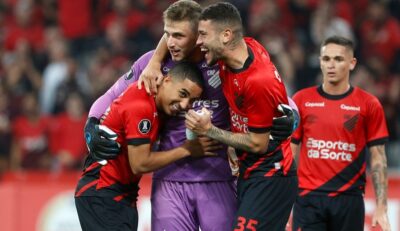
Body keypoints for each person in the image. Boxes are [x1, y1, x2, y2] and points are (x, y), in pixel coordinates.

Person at [84, 1, 297, 230]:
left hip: (220, 178)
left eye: (179, 36)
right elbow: (111, 95)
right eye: (168, 35)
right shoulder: (151, 64)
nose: (171, 42)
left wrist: (292, 116)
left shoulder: (222, 61)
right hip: (170, 181)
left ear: (199, 36)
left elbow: (270, 91)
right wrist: (92, 124)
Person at [185, 2, 298, 230]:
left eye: (204, 35)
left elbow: (258, 143)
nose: (199, 42)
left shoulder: (257, 80)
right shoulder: (244, 49)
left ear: (226, 36)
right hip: (250, 172)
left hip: (271, 174)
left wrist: (209, 131)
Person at [74, 62, 208, 231]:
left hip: (121, 195)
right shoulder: (141, 104)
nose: (184, 105)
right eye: (183, 94)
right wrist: (187, 149)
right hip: (102, 192)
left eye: (191, 100)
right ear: (166, 81)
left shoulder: (153, 104)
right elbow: (140, 164)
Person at [290, 36, 391, 231]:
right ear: (320, 61)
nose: (331, 65)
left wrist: (381, 206)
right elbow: (291, 153)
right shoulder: (301, 100)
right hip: (308, 199)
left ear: (352, 63)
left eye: (338, 59)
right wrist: (284, 200)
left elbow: (378, 158)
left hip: (349, 200)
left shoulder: (369, 104)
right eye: (326, 59)